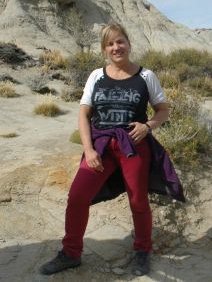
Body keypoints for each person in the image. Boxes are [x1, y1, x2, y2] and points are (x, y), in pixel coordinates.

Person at [40, 23, 176, 276]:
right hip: (101, 144)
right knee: (78, 196)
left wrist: (148, 126)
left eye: (120, 41)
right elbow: (83, 114)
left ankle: (142, 250)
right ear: (105, 49)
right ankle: (71, 253)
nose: (116, 47)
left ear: (128, 43)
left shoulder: (146, 76)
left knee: (138, 199)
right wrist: (89, 150)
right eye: (110, 44)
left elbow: (163, 110)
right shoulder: (96, 76)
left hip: (133, 146)